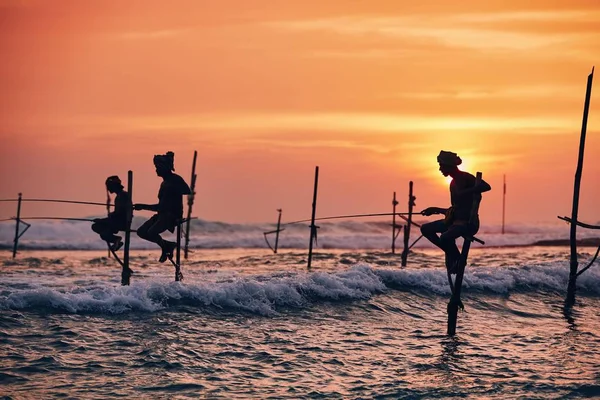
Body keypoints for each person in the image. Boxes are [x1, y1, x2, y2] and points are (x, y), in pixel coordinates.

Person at [420, 150, 491, 274]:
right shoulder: (452, 183)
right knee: (425, 229)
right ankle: (453, 254)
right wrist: (435, 209)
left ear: (449, 165)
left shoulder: (465, 177)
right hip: (454, 222)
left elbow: (486, 186)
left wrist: (465, 191)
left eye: (441, 165)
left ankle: (458, 260)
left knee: (445, 237)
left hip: (468, 223)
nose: (440, 169)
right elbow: (455, 209)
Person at [134, 151, 191, 262]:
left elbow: (187, 190)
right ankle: (167, 245)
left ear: (164, 168)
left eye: (158, 167)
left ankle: (166, 247)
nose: (156, 170)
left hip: (171, 215)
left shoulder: (175, 179)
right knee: (141, 232)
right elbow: (161, 206)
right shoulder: (164, 183)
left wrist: (174, 190)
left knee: (151, 232)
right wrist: (142, 206)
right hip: (162, 214)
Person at [92, 176, 132, 251]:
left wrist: (102, 220)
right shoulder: (120, 196)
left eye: (109, 186)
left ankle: (116, 240)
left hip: (121, 222)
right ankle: (116, 241)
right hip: (118, 221)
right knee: (101, 230)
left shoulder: (122, 195)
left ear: (114, 186)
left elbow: (120, 213)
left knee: (96, 226)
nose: (108, 189)